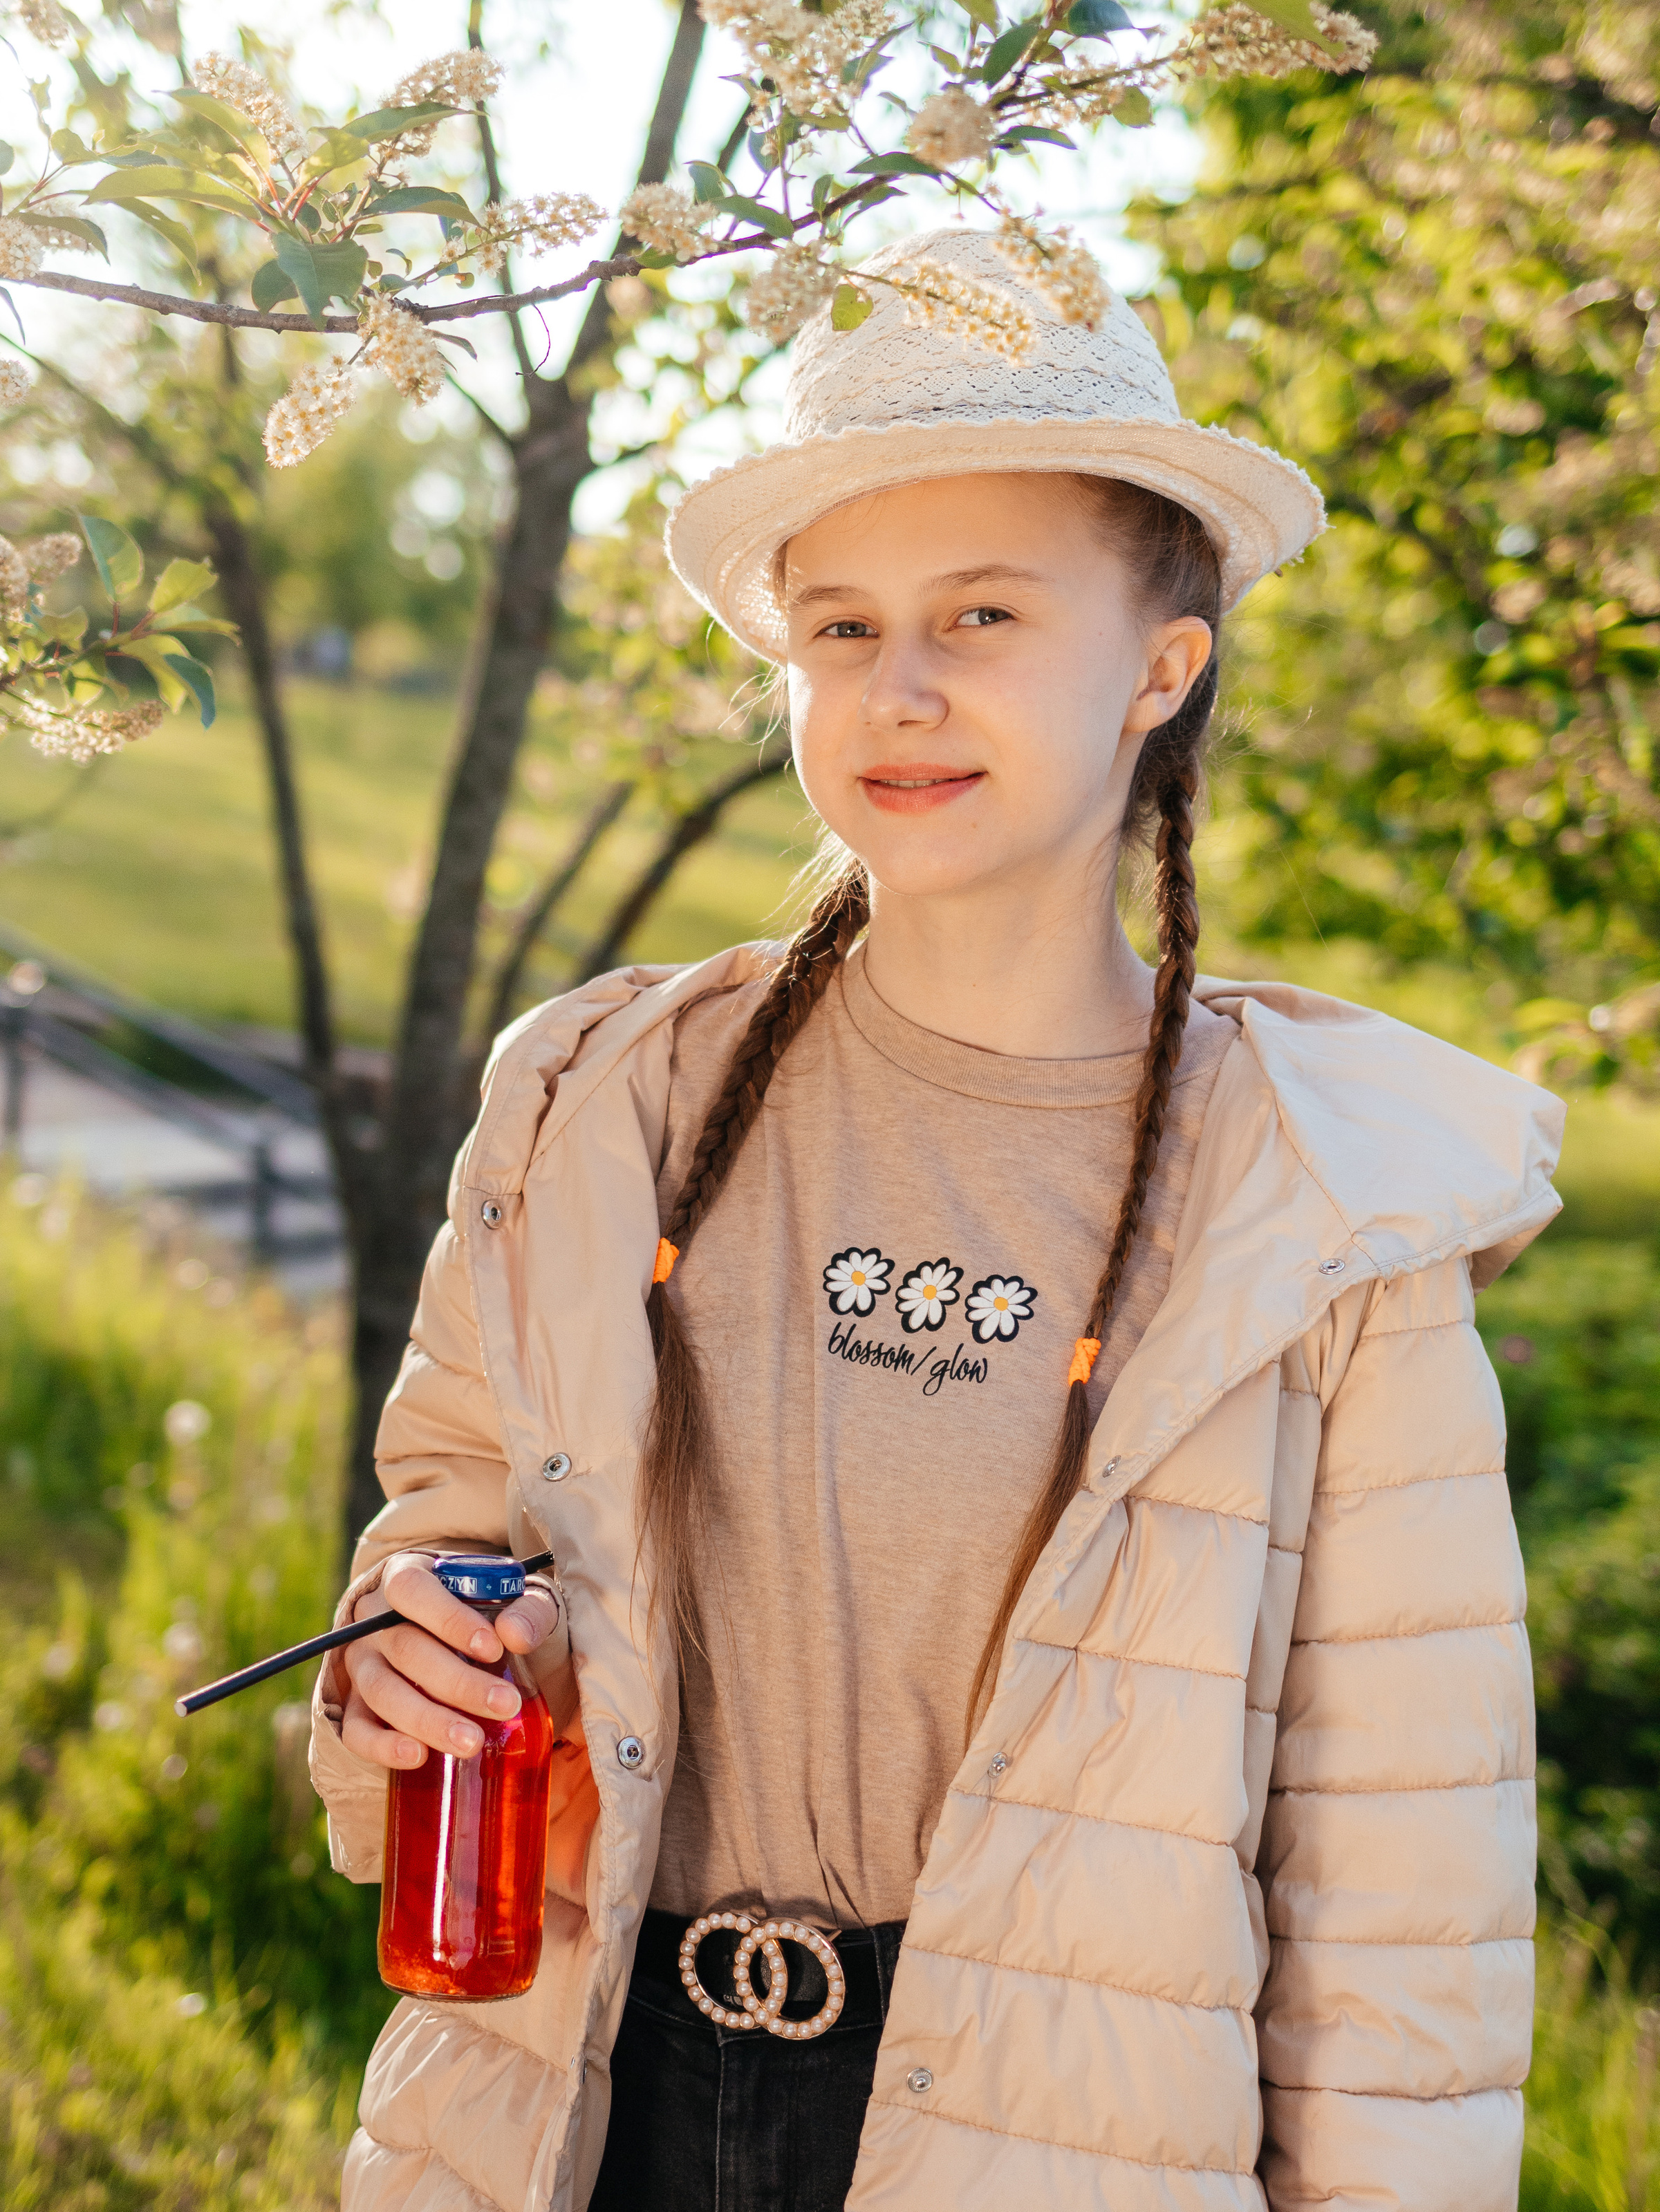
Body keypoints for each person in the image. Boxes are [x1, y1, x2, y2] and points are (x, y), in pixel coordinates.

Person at [308, 228, 1561, 2212]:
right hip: (570, 2111)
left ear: (1166, 660)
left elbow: (1405, 1913)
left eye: (982, 613)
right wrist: (416, 1666)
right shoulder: (598, 1109)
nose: (900, 691)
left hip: (1054, 2148)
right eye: (839, 627)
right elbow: (450, 1542)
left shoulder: (1328, 1210)